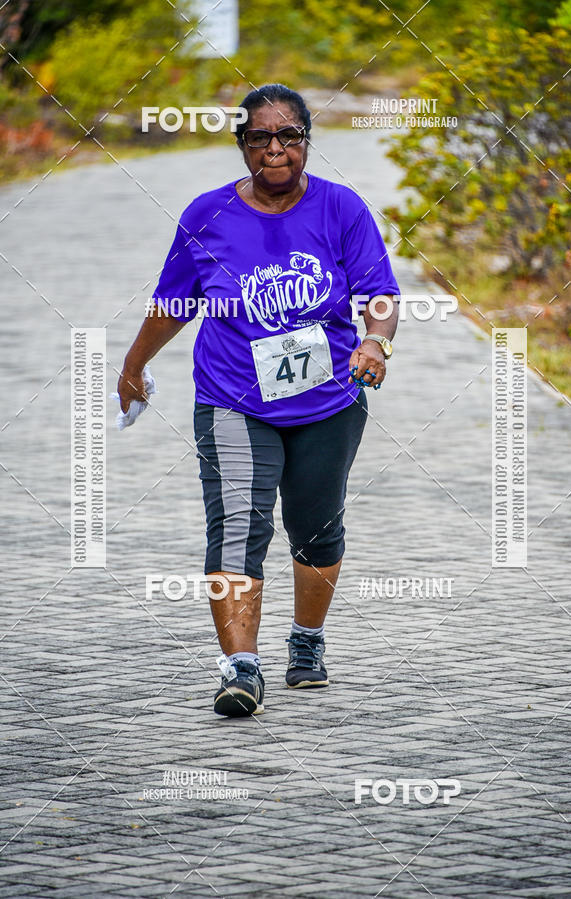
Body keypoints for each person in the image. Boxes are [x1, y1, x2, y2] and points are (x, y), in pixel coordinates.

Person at [118, 83, 399, 717]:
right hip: (232, 399)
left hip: (329, 400)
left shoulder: (341, 209)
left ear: (307, 141)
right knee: (238, 530)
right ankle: (240, 667)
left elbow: (379, 295)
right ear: (242, 146)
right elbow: (173, 303)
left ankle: (308, 639)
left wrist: (376, 344)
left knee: (317, 528)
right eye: (259, 139)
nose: (275, 150)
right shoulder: (207, 215)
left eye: (289, 136)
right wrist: (134, 364)